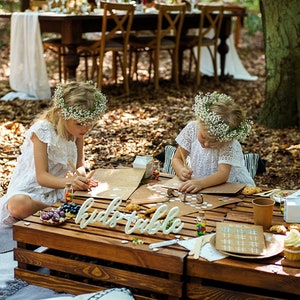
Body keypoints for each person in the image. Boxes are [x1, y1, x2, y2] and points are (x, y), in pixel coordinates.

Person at [0, 81, 107, 226]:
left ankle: (61, 209)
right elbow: (41, 177)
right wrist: (70, 182)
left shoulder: (77, 132)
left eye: (90, 123)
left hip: (61, 189)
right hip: (34, 191)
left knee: (98, 194)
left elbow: (80, 166)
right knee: (18, 205)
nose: (85, 128)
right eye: (80, 123)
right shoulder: (43, 131)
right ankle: (60, 210)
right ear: (63, 115)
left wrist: (80, 177)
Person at [172, 91, 255, 194]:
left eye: (214, 142)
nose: (206, 144)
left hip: (227, 187)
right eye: (203, 137)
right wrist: (180, 170)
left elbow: (223, 174)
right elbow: (177, 158)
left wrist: (201, 184)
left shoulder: (228, 143)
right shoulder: (192, 128)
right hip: (200, 184)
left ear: (227, 138)